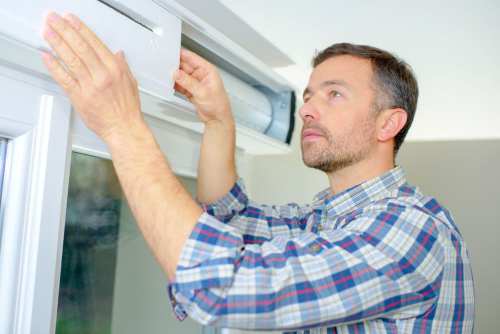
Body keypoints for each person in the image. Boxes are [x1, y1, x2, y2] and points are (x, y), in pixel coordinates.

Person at [41, 12, 474, 333]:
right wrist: (218, 122)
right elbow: (227, 221)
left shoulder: (413, 229)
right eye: (308, 95)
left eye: (334, 94)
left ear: (388, 124)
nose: (307, 108)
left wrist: (122, 127)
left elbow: (227, 286)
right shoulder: (322, 222)